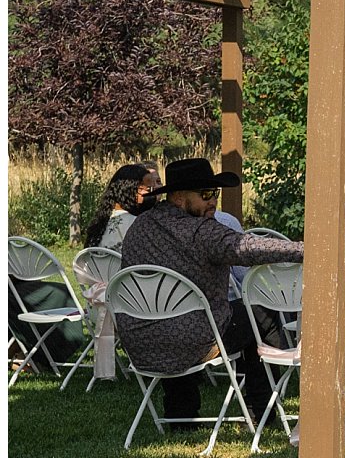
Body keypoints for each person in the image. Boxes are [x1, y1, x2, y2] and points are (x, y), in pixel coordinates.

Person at [114, 158, 300, 430]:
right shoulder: (203, 231)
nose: (213, 200)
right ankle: (261, 410)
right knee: (259, 312)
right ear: (178, 197)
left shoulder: (139, 228)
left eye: (215, 193)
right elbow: (250, 248)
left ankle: (181, 416)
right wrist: (309, 248)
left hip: (140, 339)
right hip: (194, 340)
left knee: (177, 319)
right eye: (205, 194)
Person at [83, 162, 158, 250]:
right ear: (132, 190)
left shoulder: (100, 222)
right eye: (148, 189)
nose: (152, 194)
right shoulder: (138, 224)